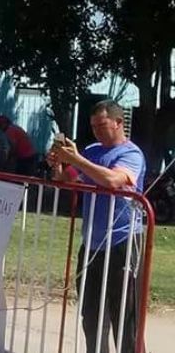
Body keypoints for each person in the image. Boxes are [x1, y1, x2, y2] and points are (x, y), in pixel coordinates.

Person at [47, 99, 145, 353]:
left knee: (125, 315)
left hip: (123, 242)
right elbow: (67, 181)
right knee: (91, 314)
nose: (97, 131)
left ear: (118, 122)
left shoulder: (131, 153)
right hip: (91, 242)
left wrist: (77, 159)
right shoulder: (91, 150)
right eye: (93, 127)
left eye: (102, 125)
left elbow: (113, 180)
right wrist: (58, 164)